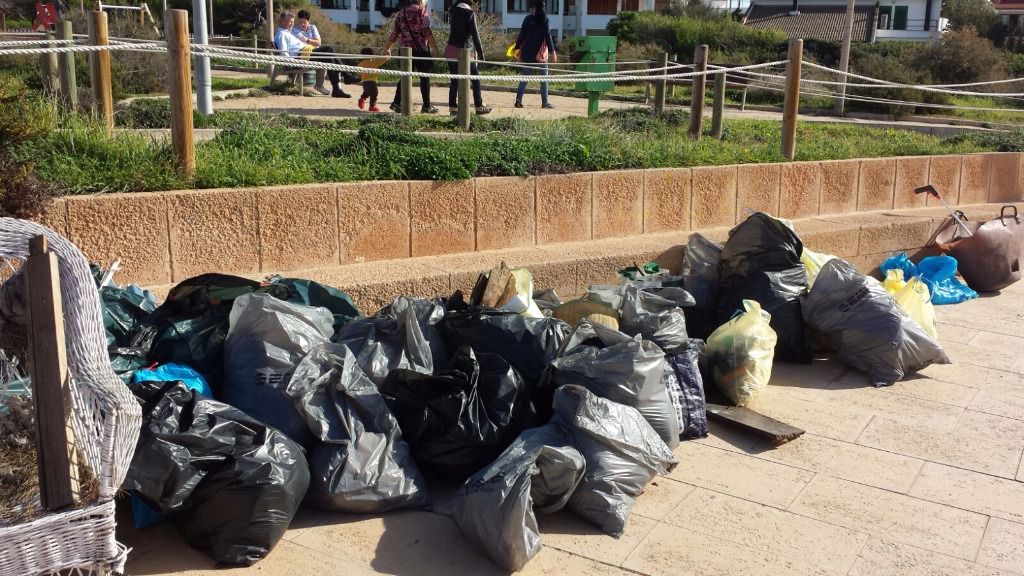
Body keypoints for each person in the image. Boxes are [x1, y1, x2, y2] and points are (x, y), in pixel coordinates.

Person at [274, 11, 350, 98]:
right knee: (329, 50)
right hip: (301, 57)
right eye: (290, 22)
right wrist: (293, 63)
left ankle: (338, 88)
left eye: (293, 22)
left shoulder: (287, 32)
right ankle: (345, 76)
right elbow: (284, 53)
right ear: (282, 21)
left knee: (329, 58)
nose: (292, 24)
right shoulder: (281, 34)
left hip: (305, 53)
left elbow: (318, 42)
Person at [384, 0, 441, 114]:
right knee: (424, 77)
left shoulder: (402, 13)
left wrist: (387, 48)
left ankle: (396, 102)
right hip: (420, 50)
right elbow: (426, 31)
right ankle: (426, 105)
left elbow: (395, 33)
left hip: (404, 50)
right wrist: (435, 49)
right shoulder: (421, 11)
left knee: (405, 76)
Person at [445, 0, 491, 116]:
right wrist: (481, 55)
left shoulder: (453, 11)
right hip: (463, 52)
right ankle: (479, 106)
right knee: (475, 79)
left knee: (454, 81)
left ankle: (453, 108)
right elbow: (475, 36)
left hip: (451, 49)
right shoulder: (470, 14)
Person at [514, 0, 557, 109]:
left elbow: (522, 34)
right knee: (544, 80)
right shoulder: (545, 20)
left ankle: (518, 101)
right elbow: (548, 37)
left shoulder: (528, 19)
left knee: (525, 78)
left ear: (534, 8)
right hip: (540, 55)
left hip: (527, 54)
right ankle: (545, 102)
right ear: (544, 8)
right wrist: (553, 52)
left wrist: (517, 47)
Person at [357, 47, 389, 112]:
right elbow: (383, 60)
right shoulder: (373, 62)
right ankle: (372, 106)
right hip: (371, 82)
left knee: (367, 92)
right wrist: (388, 55)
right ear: (371, 55)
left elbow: (358, 73)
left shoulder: (360, 64)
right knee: (374, 93)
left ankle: (362, 99)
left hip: (364, 82)